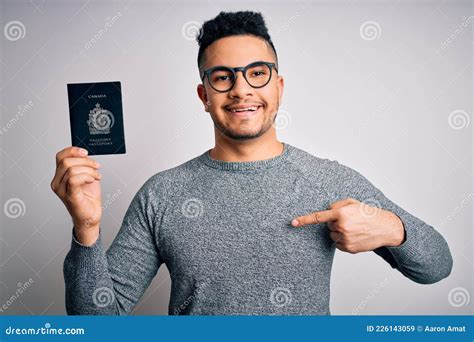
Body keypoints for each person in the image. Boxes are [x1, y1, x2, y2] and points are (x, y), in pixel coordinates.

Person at [51, 11, 453, 315]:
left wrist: (391, 228)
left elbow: (436, 266)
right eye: (223, 77)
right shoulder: (161, 193)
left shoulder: (329, 180)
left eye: (257, 73)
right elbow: (98, 321)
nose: (242, 90)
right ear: (203, 95)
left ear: (278, 87)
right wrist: (86, 231)